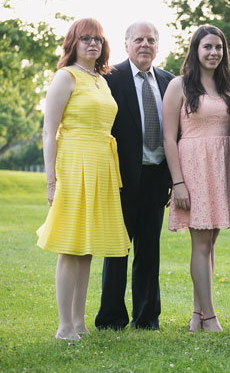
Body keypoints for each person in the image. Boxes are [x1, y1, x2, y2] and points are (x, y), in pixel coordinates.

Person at [37, 18, 130, 341]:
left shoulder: (102, 80)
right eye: (86, 39)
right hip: (75, 162)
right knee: (70, 244)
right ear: (73, 43)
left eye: (98, 40)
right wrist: (52, 180)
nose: (93, 44)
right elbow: (50, 130)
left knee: (87, 246)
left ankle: (78, 321)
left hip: (101, 163)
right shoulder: (66, 76)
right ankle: (64, 326)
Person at [95, 22, 175, 330]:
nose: (145, 45)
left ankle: (147, 318)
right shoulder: (109, 79)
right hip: (121, 177)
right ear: (126, 44)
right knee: (117, 248)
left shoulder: (169, 82)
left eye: (150, 40)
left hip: (157, 176)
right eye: (138, 40)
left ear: (157, 46)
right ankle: (111, 317)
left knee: (149, 250)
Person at [162, 25, 230, 332]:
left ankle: (197, 316)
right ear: (195, 50)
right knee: (201, 244)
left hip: (221, 167)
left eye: (218, 48)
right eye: (207, 47)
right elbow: (169, 138)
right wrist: (177, 182)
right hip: (193, 167)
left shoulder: (228, 88)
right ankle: (210, 316)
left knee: (212, 242)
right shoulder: (179, 86)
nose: (213, 53)